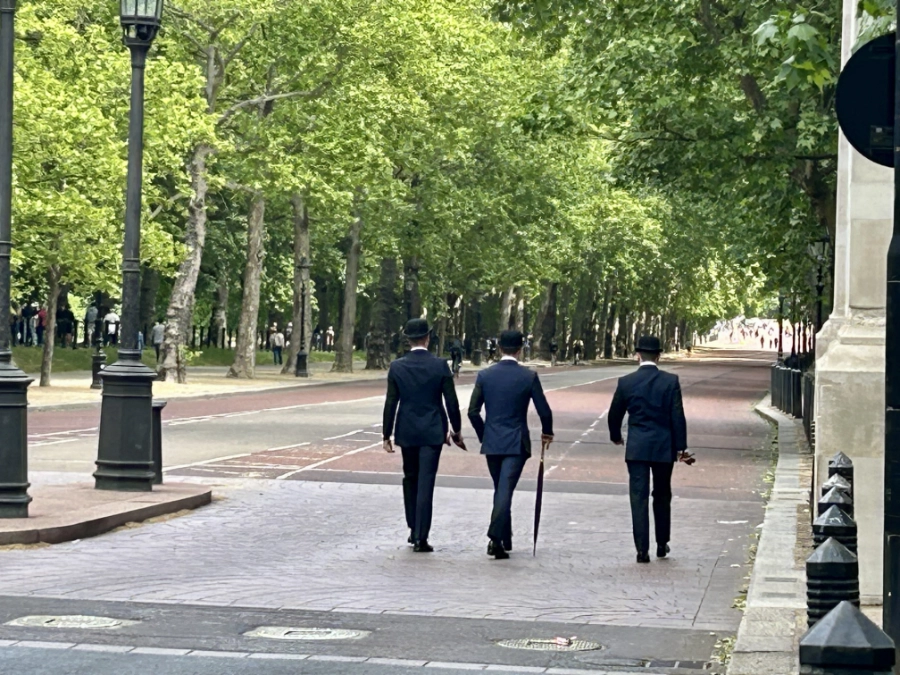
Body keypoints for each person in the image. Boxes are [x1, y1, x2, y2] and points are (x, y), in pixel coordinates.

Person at [468, 330, 553, 560]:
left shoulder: (485, 375)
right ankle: (495, 539)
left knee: (501, 488)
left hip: (493, 441)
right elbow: (544, 409)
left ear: (499, 348)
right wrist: (547, 432)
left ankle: (506, 537)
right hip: (516, 441)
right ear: (520, 349)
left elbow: (473, 412)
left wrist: (484, 435)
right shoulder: (528, 376)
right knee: (505, 489)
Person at [383, 319, 465, 553]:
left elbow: (391, 401)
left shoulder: (397, 366)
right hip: (432, 429)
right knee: (426, 481)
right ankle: (421, 536)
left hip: (406, 428)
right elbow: (451, 400)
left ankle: (412, 527)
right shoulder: (440, 365)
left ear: (408, 339)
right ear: (428, 338)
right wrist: (456, 429)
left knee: (410, 478)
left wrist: (386, 433)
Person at [608, 335, 690, 564]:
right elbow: (677, 416)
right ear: (659, 356)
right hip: (664, 446)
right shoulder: (670, 381)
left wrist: (616, 436)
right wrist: (681, 447)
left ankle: (641, 549)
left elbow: (615, 413)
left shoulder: (626, 382)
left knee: (638, 496)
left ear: (637, 355)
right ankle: (662, 542)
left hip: (637, 446)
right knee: (662, 494)